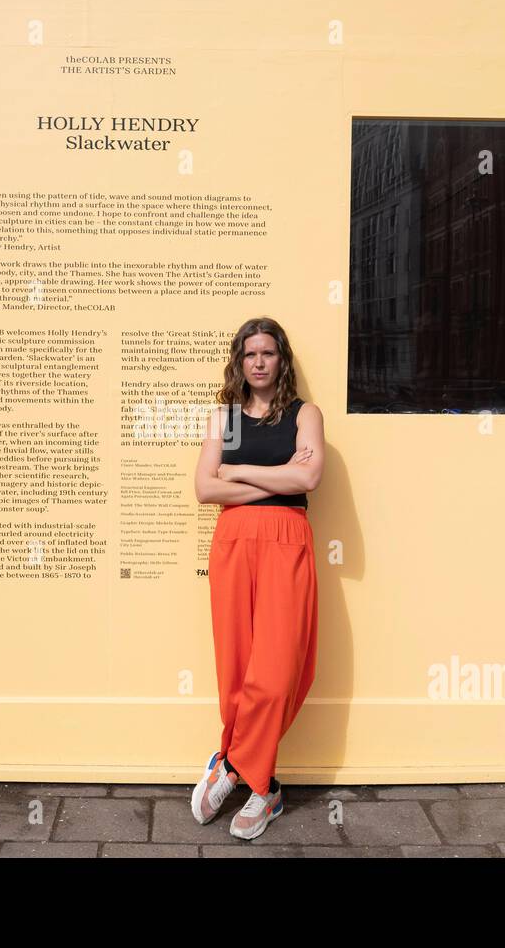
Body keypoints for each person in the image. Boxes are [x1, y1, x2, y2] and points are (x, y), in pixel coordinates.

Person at [190, 317, 324, 840]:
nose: (260, 362)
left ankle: (232, 765)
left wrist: (238, 472)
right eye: (250, 354)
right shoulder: (223, 417)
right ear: (239, 361)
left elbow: (309, 477)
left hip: (287, 542)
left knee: (275, 668)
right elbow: (204, 489)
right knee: (237, 665)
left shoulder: (304, 414)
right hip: (234, 545)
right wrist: (276, 477)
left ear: (281, 358)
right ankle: (264, 789)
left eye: (268, 353)